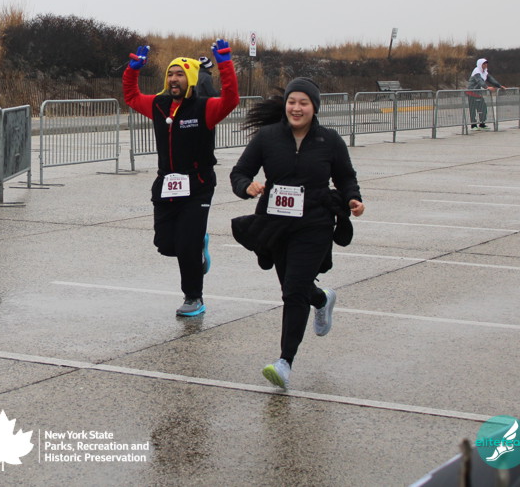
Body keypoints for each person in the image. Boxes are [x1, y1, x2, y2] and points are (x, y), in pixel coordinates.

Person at [229, 77, 365, 390]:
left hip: (315, 224)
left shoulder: (329, 140)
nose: (296, 108)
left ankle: (284, 362)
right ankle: (322, 298)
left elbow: (346, 178)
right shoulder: (267, 137)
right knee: (295, 289)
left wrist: (353, 199)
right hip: (276, 224)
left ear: (314, 107)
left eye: (304, 103)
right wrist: (246, 187)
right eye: (292, 102)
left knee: (293, 291)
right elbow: (239, 172)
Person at [123, 39, 240, 317]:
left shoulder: (204, 107)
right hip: (166, 185)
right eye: (170, 74)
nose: (174, 79)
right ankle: (198, 246)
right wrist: (132, 69)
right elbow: (131, 96)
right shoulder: (159, 104)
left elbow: (231, 100)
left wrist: (225, 65)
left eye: (180, 74)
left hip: (198, 186)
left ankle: (193, 297)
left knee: (187, 244)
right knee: (166, 244)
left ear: (191, 78)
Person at [465, 58, 506, 131]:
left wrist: (499, 86)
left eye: (486, 63)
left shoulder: (485, 72)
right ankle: (473, 125)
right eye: (484, 64)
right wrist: (486, 87)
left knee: (483, 108)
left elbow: (491, 79)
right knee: (473, 109)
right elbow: (479, 81)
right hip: (471, 92)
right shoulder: (476, 71)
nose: (486, 65)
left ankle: (482, 124)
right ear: (480, 64)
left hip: (478, 93)